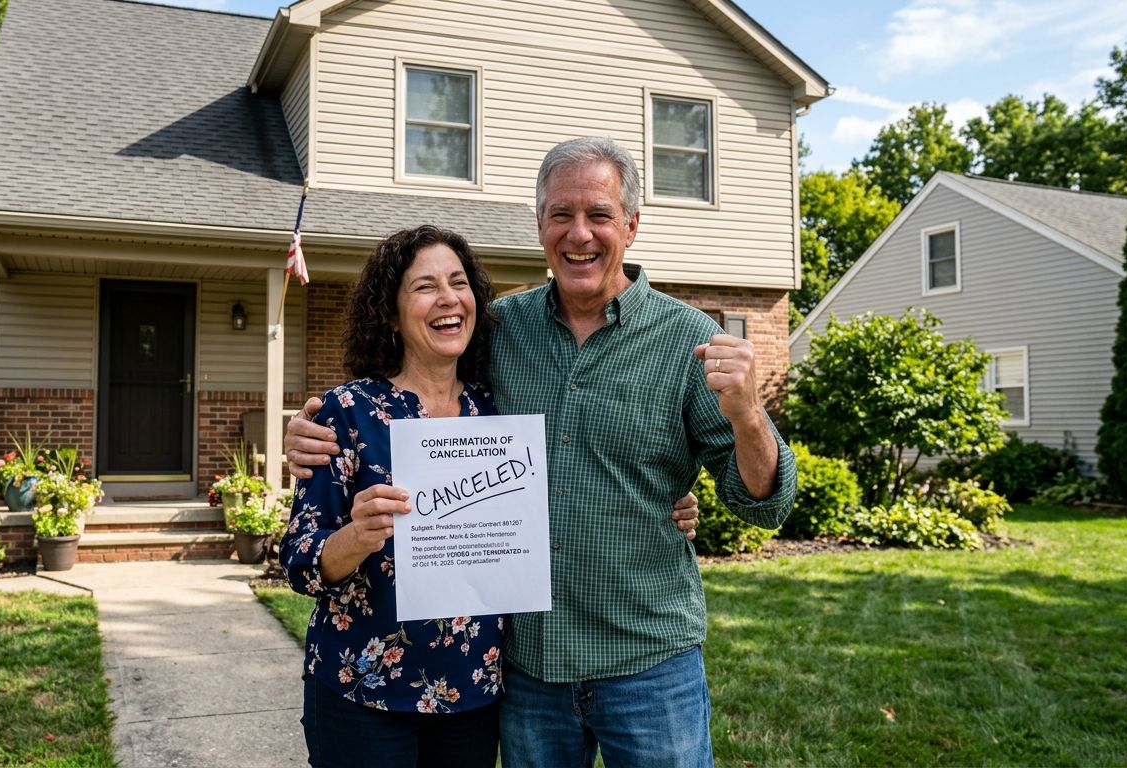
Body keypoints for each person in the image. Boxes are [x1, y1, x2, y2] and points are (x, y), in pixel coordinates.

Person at [286, 137, 796, 768]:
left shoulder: (688, 340)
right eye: (561, 215)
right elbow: (408, 395)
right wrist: (311, 436)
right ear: (539, 227)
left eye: (599, 215)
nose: (579, 234)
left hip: (648, 664)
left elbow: (763, 505)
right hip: (530, 670)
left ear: (631, 227)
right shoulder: (500, 332)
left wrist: (748, 415)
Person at [280, 225, 507, 768]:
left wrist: (667, 504)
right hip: (363, 689)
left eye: (458, 282)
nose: (448, 298)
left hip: (472, 690)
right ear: (391, 311)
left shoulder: (496, 411)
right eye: (425, 286)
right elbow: (298, 561)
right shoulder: (348, 412)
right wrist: (355, 537)